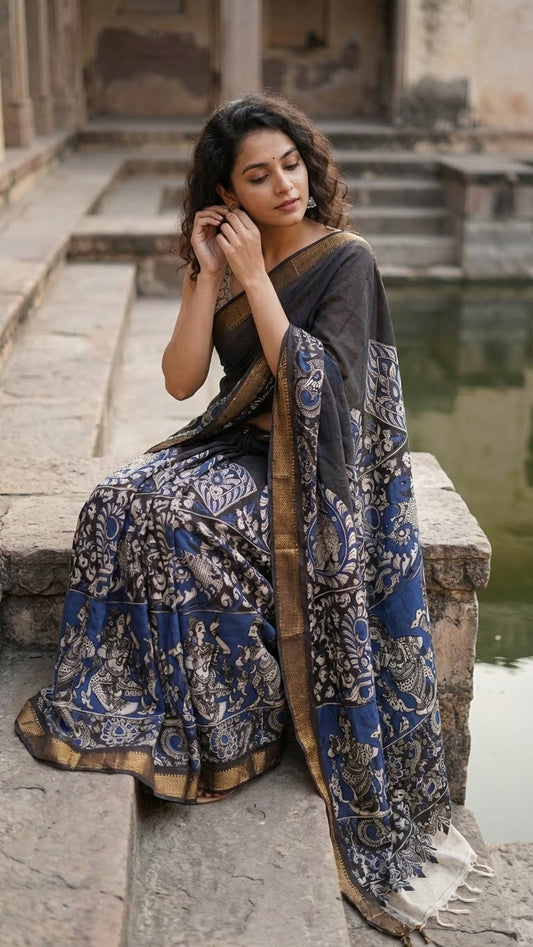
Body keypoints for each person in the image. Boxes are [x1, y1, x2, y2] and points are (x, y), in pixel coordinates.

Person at [15, 93, 489, 943]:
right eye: (258, 175)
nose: (283, 187)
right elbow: (180, 377)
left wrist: (261, 280)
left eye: (292, 165)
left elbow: (322, 394)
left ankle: (229, 722)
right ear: (226, 191)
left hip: (318, 480)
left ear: (311, 163)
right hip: (238, 448)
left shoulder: (344, 260)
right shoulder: (233, 254)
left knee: (184, 523)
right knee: (120, 501)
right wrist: (206, 271)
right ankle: (144, 697)